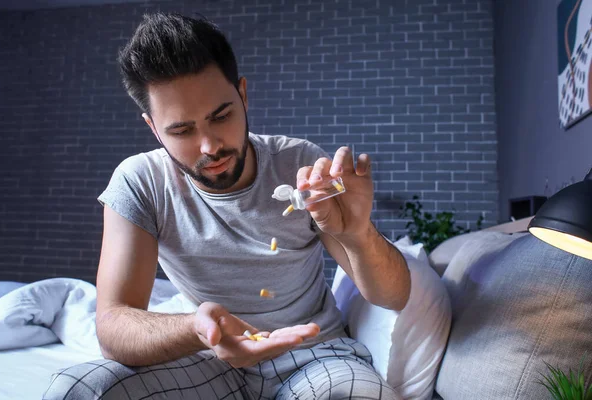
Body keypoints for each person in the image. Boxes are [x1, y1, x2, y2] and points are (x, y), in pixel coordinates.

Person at [44, 12, 410, 400]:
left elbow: (394, 296)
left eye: (221, 117)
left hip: (315, 353)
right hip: (207, 357)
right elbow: (113, 326)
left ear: (243, 95)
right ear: (153, 127)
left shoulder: (299, 163)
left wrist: (358, 232)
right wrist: (198, 329)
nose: (210, 147)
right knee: (79, 389)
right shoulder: (140, 182)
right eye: (182, 130)